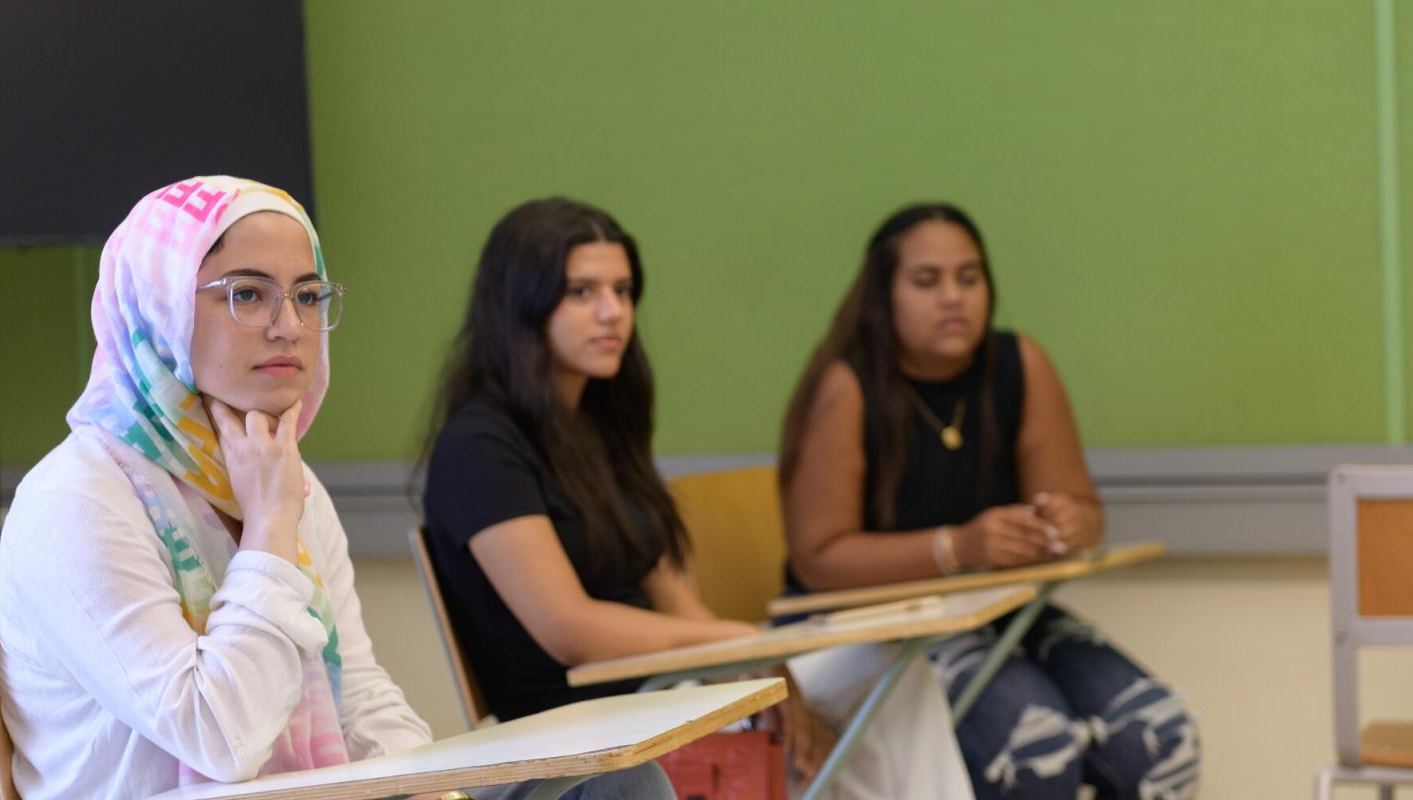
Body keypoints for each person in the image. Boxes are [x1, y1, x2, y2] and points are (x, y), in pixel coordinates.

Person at [0, 176, 640, 800]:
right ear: (158, 308)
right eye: (248, 294)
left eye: (306, 295)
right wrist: (271, 527)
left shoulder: (284, 478)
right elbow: (220, 740)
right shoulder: (77, 499)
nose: (290, 326)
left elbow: (357, 694)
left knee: (615, 786)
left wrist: (435, 793)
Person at [420, 196, 973, 799]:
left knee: (893, 671)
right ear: (519, 305)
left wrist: (761, 669)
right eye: (582, 293)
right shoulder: (479, 446)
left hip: (665, 694)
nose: (613, 313)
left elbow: (676, 600)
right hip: (592, 726)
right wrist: (733, 648)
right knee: (819, 727)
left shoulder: (601, 428)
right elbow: (567, 627)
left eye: (623, 290)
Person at [778, 202, 1200, 799]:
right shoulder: (847, 386)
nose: (953, 297)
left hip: (1001, 609)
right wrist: (955, 548)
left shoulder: (1020, 363)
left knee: (1159, 738)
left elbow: (1084, 509)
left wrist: (1065, 523)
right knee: (1037, 754)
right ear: (883, 296)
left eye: (969, 278)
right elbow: (818, 558)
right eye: (928, 281)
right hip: (874, 628)